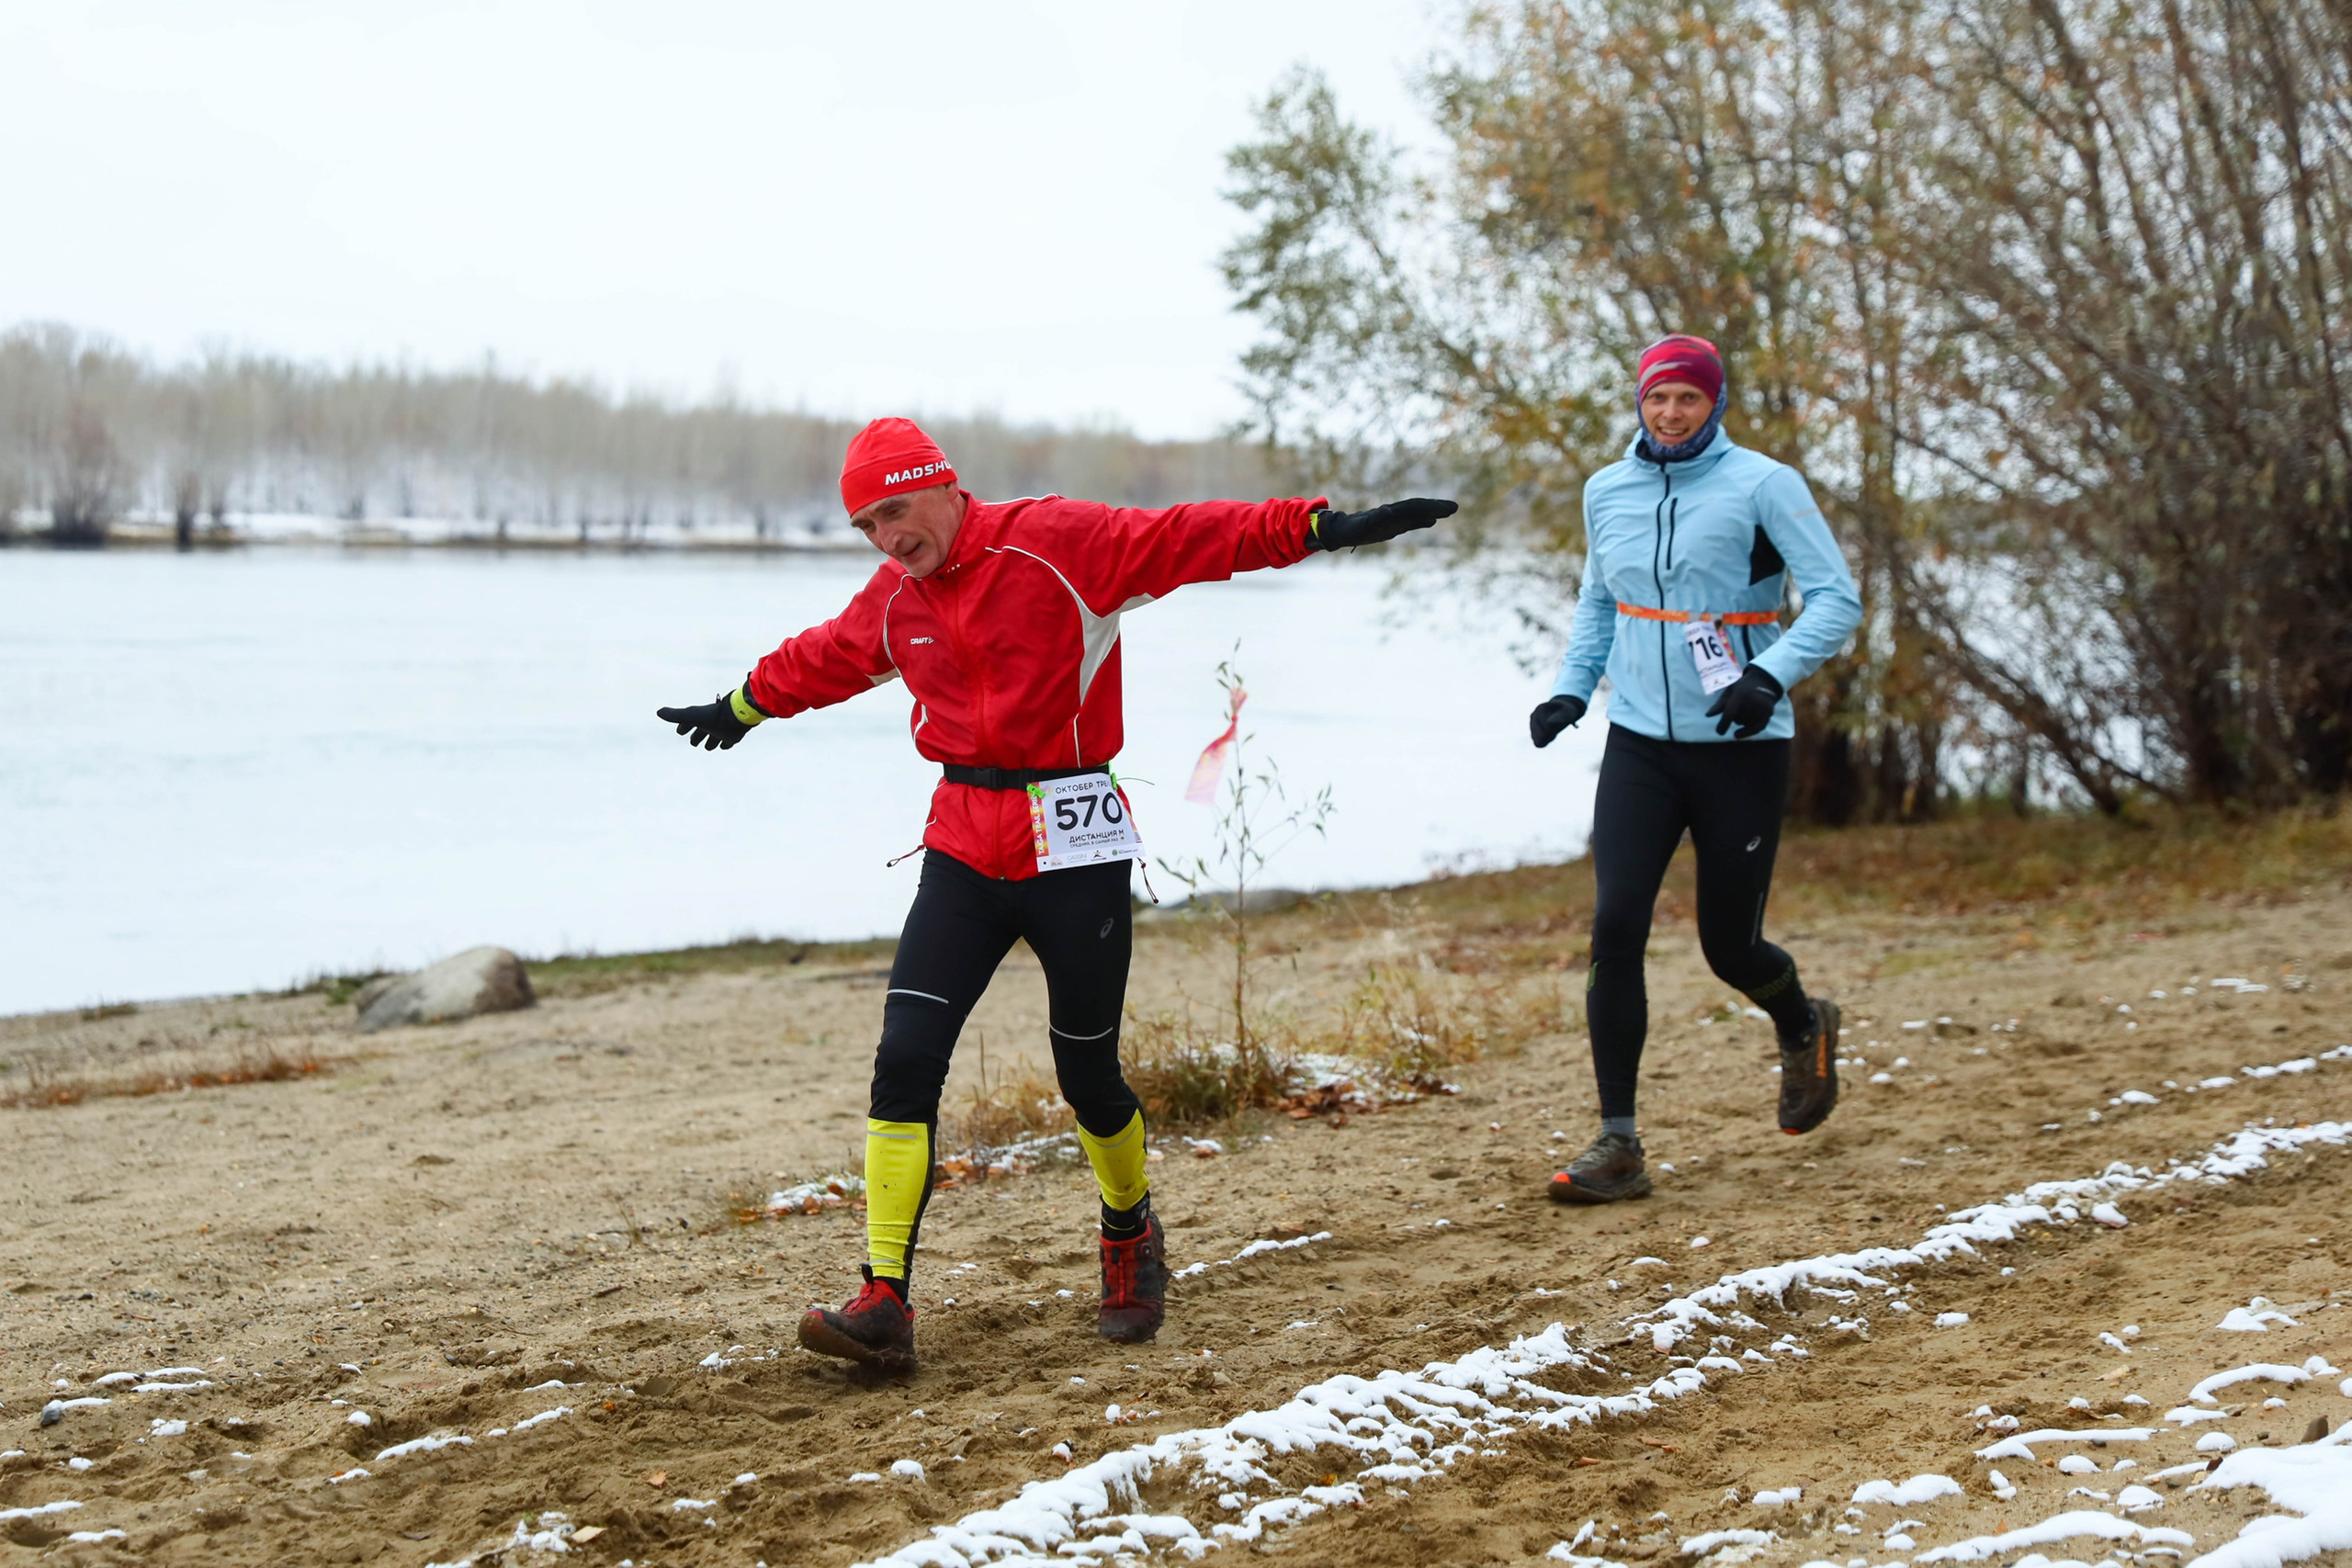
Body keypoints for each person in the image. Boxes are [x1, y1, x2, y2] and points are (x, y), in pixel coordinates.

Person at [657, 417, 1455, 1371]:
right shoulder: (894, 594)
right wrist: (740, 706)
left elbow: (1189, 536)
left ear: (945, 487)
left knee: (1087, 1073)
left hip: (1073, 844)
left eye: (895, 512)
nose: (885, 538)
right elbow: (827, 655)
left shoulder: (1058, 543)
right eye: (866, 525)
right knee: (905, 1057)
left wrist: (1318, 527)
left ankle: (1128, 1228)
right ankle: (883, 1300)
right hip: (961, 842)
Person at [1528, 336, 1862, 1203]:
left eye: (1686, 398)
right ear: (1638, 403)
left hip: (1742, 747)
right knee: (1614, 927)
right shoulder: (1609, 488)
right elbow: (1599, 599)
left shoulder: (1763, 484)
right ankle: (1619, 1142)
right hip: (1640, 742)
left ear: (1713, 403)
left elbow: (1836, 597)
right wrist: (1570, 692)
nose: (1669, 413)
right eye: (1656, 398)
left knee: (1729, 944)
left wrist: (1768, 674)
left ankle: (1802, 1020)